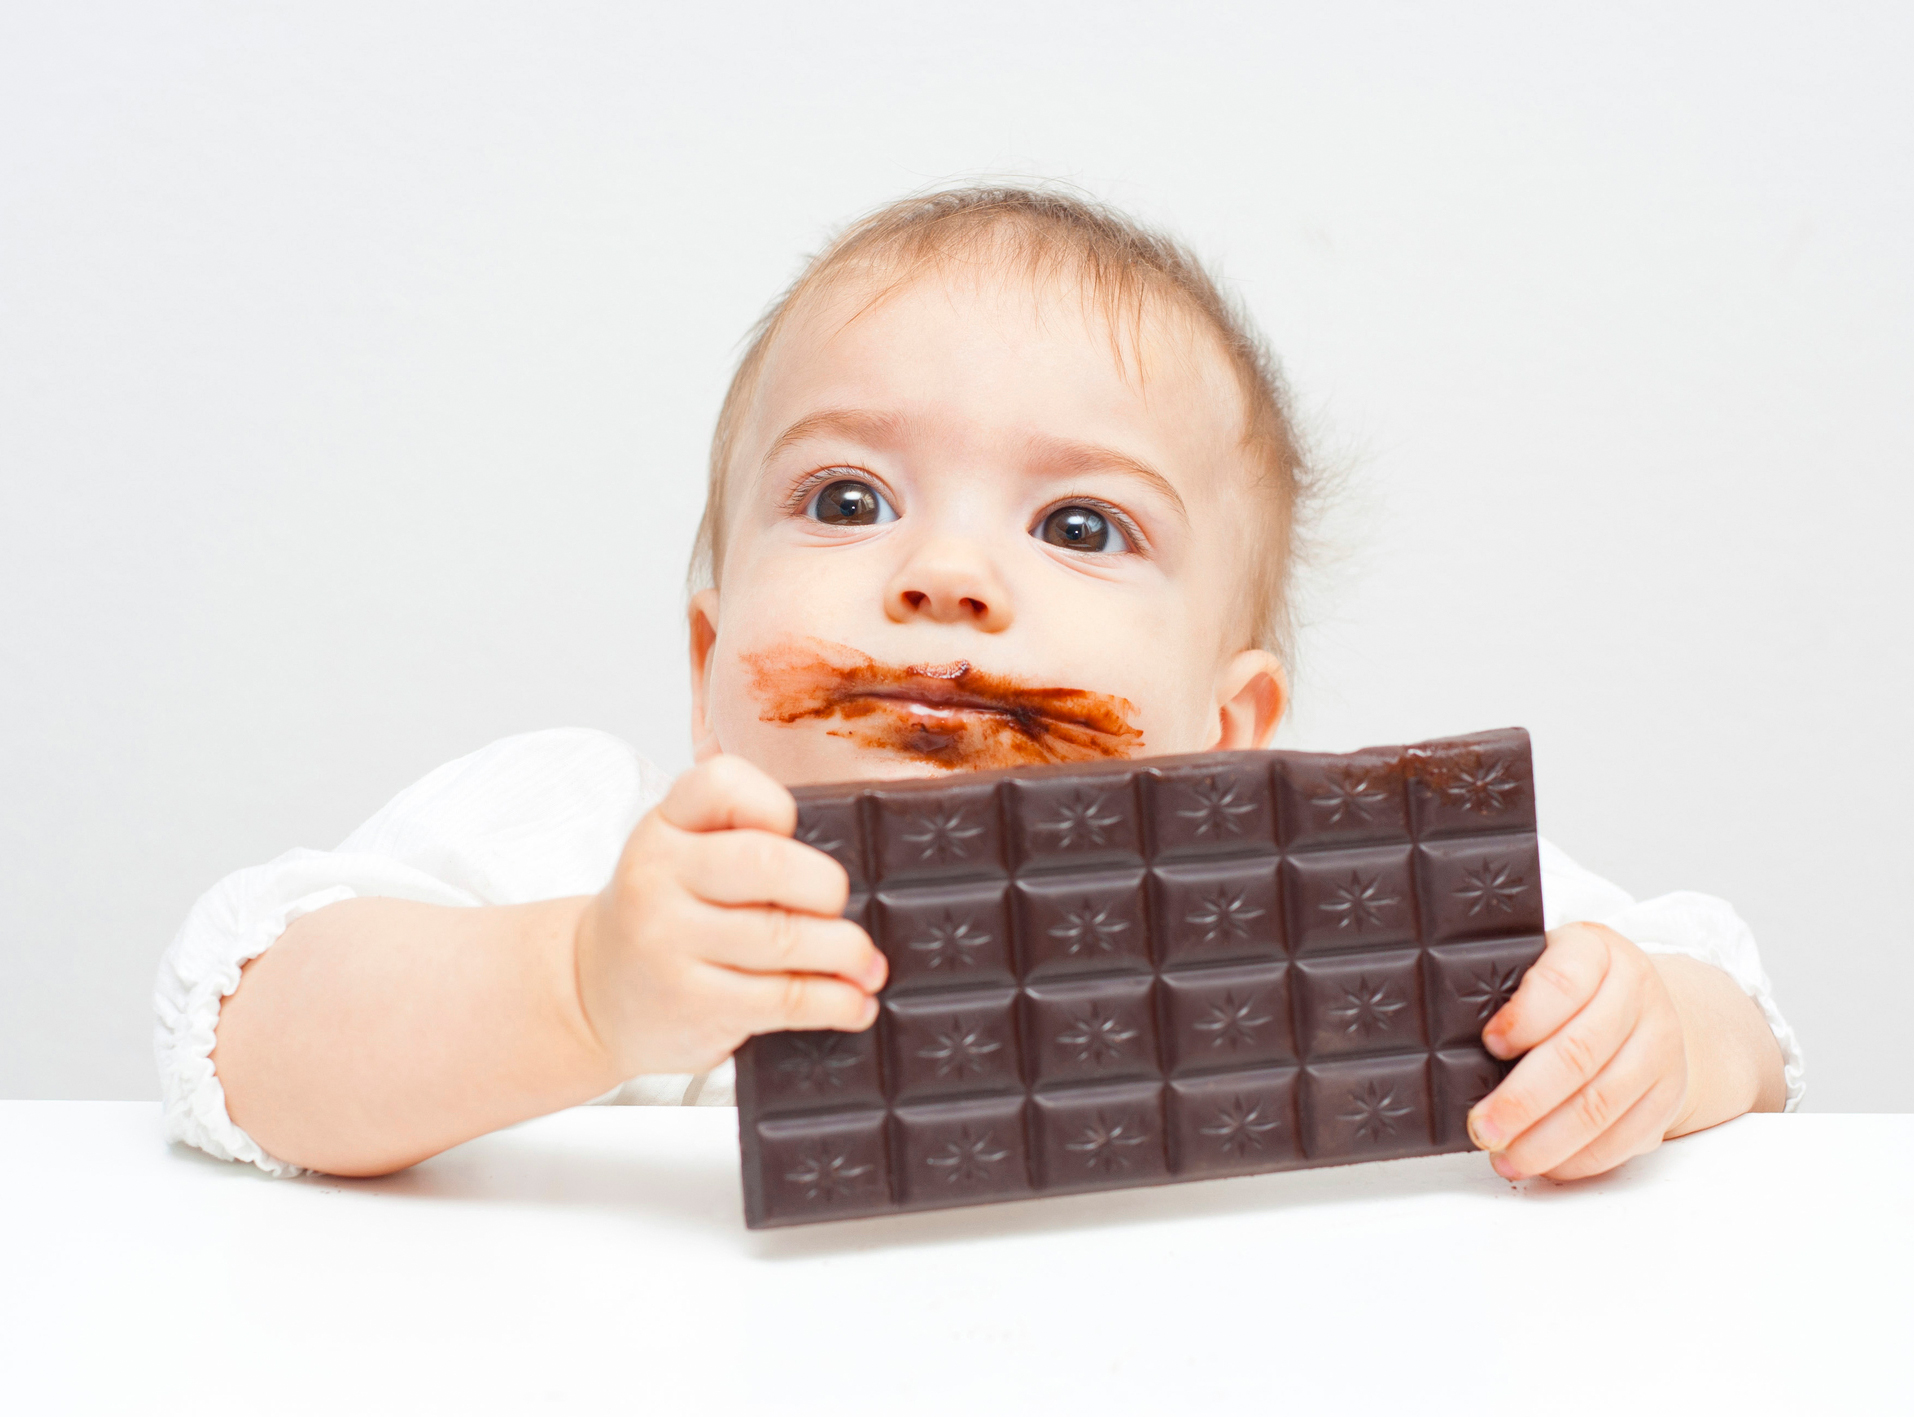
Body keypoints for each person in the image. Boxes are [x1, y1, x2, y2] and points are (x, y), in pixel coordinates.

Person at [156, 186, 1798, 1184]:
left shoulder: (1328, 898)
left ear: (1229, 734)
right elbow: (244, 1042)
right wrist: (577, 990)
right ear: (709, 655)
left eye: (1079, 524)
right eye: (847, 498)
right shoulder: (597, 853)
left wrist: (1648, 1040)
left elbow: (1729, 1007)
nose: (945, 577)